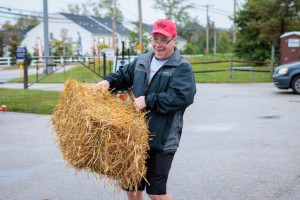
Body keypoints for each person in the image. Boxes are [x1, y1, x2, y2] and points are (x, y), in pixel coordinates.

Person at [97, 19, 196, 200]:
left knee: (156, 193)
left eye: (163, 40)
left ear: (174, 40)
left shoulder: (182, 67)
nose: (158, 45)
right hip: (134, 138)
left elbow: (183, 96)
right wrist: (108, 81)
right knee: (133, 190)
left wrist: (148, 101)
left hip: (162, 140)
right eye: (155, 39)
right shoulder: (142, 61)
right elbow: (123, 75)